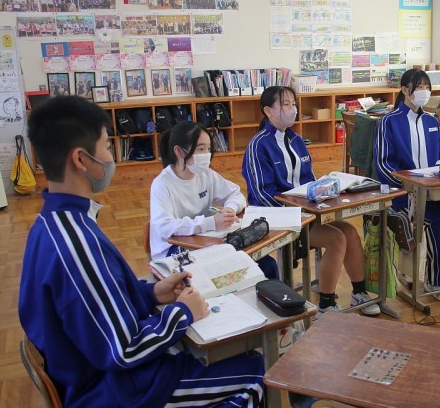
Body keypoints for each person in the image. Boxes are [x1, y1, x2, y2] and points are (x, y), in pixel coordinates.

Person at [19, 96, 264, 407]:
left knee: (227, 352)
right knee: (257, 371)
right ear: (81, 159)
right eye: (107, 146)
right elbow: (123, 351)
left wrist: (151, 293)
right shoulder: (75, 242)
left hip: (106, 371)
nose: (111, 157)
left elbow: (102, 297)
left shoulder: (52, 223)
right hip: (115, 389)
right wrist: (182, 313)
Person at [242, 86, 380, 316]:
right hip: (279, 220)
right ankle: (326, 304)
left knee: (350, 232)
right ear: (268, 111)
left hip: (305, 214)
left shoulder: (296, 140)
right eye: (285, 104)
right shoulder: (258, 145)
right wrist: (299, 215)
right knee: (336, 238)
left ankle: (359, 292)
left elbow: (311, 183)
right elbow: (261, 194)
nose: (292, 109)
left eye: (293, 104)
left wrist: (327, 192)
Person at [374, 69, 440, 302]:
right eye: (419, 87)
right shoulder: (389, 121)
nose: (424, 91)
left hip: (435, 191)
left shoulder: (430, 120)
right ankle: (436, 281)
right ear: (405, 90)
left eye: (427, 87)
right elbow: (383, 163)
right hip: (405, 194)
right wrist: (410, 183)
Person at [150, 121, 278, 278]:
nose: (206, 155)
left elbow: (236, 194)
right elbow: (165, 227)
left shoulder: (206, 174)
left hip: (203, 241)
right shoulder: (162, 184)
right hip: (173, 251)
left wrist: (230, 209)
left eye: (209, 149)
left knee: (267, 264)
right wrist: (210, 223)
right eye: (200, 149)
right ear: (179, 151)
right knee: (234, 270)